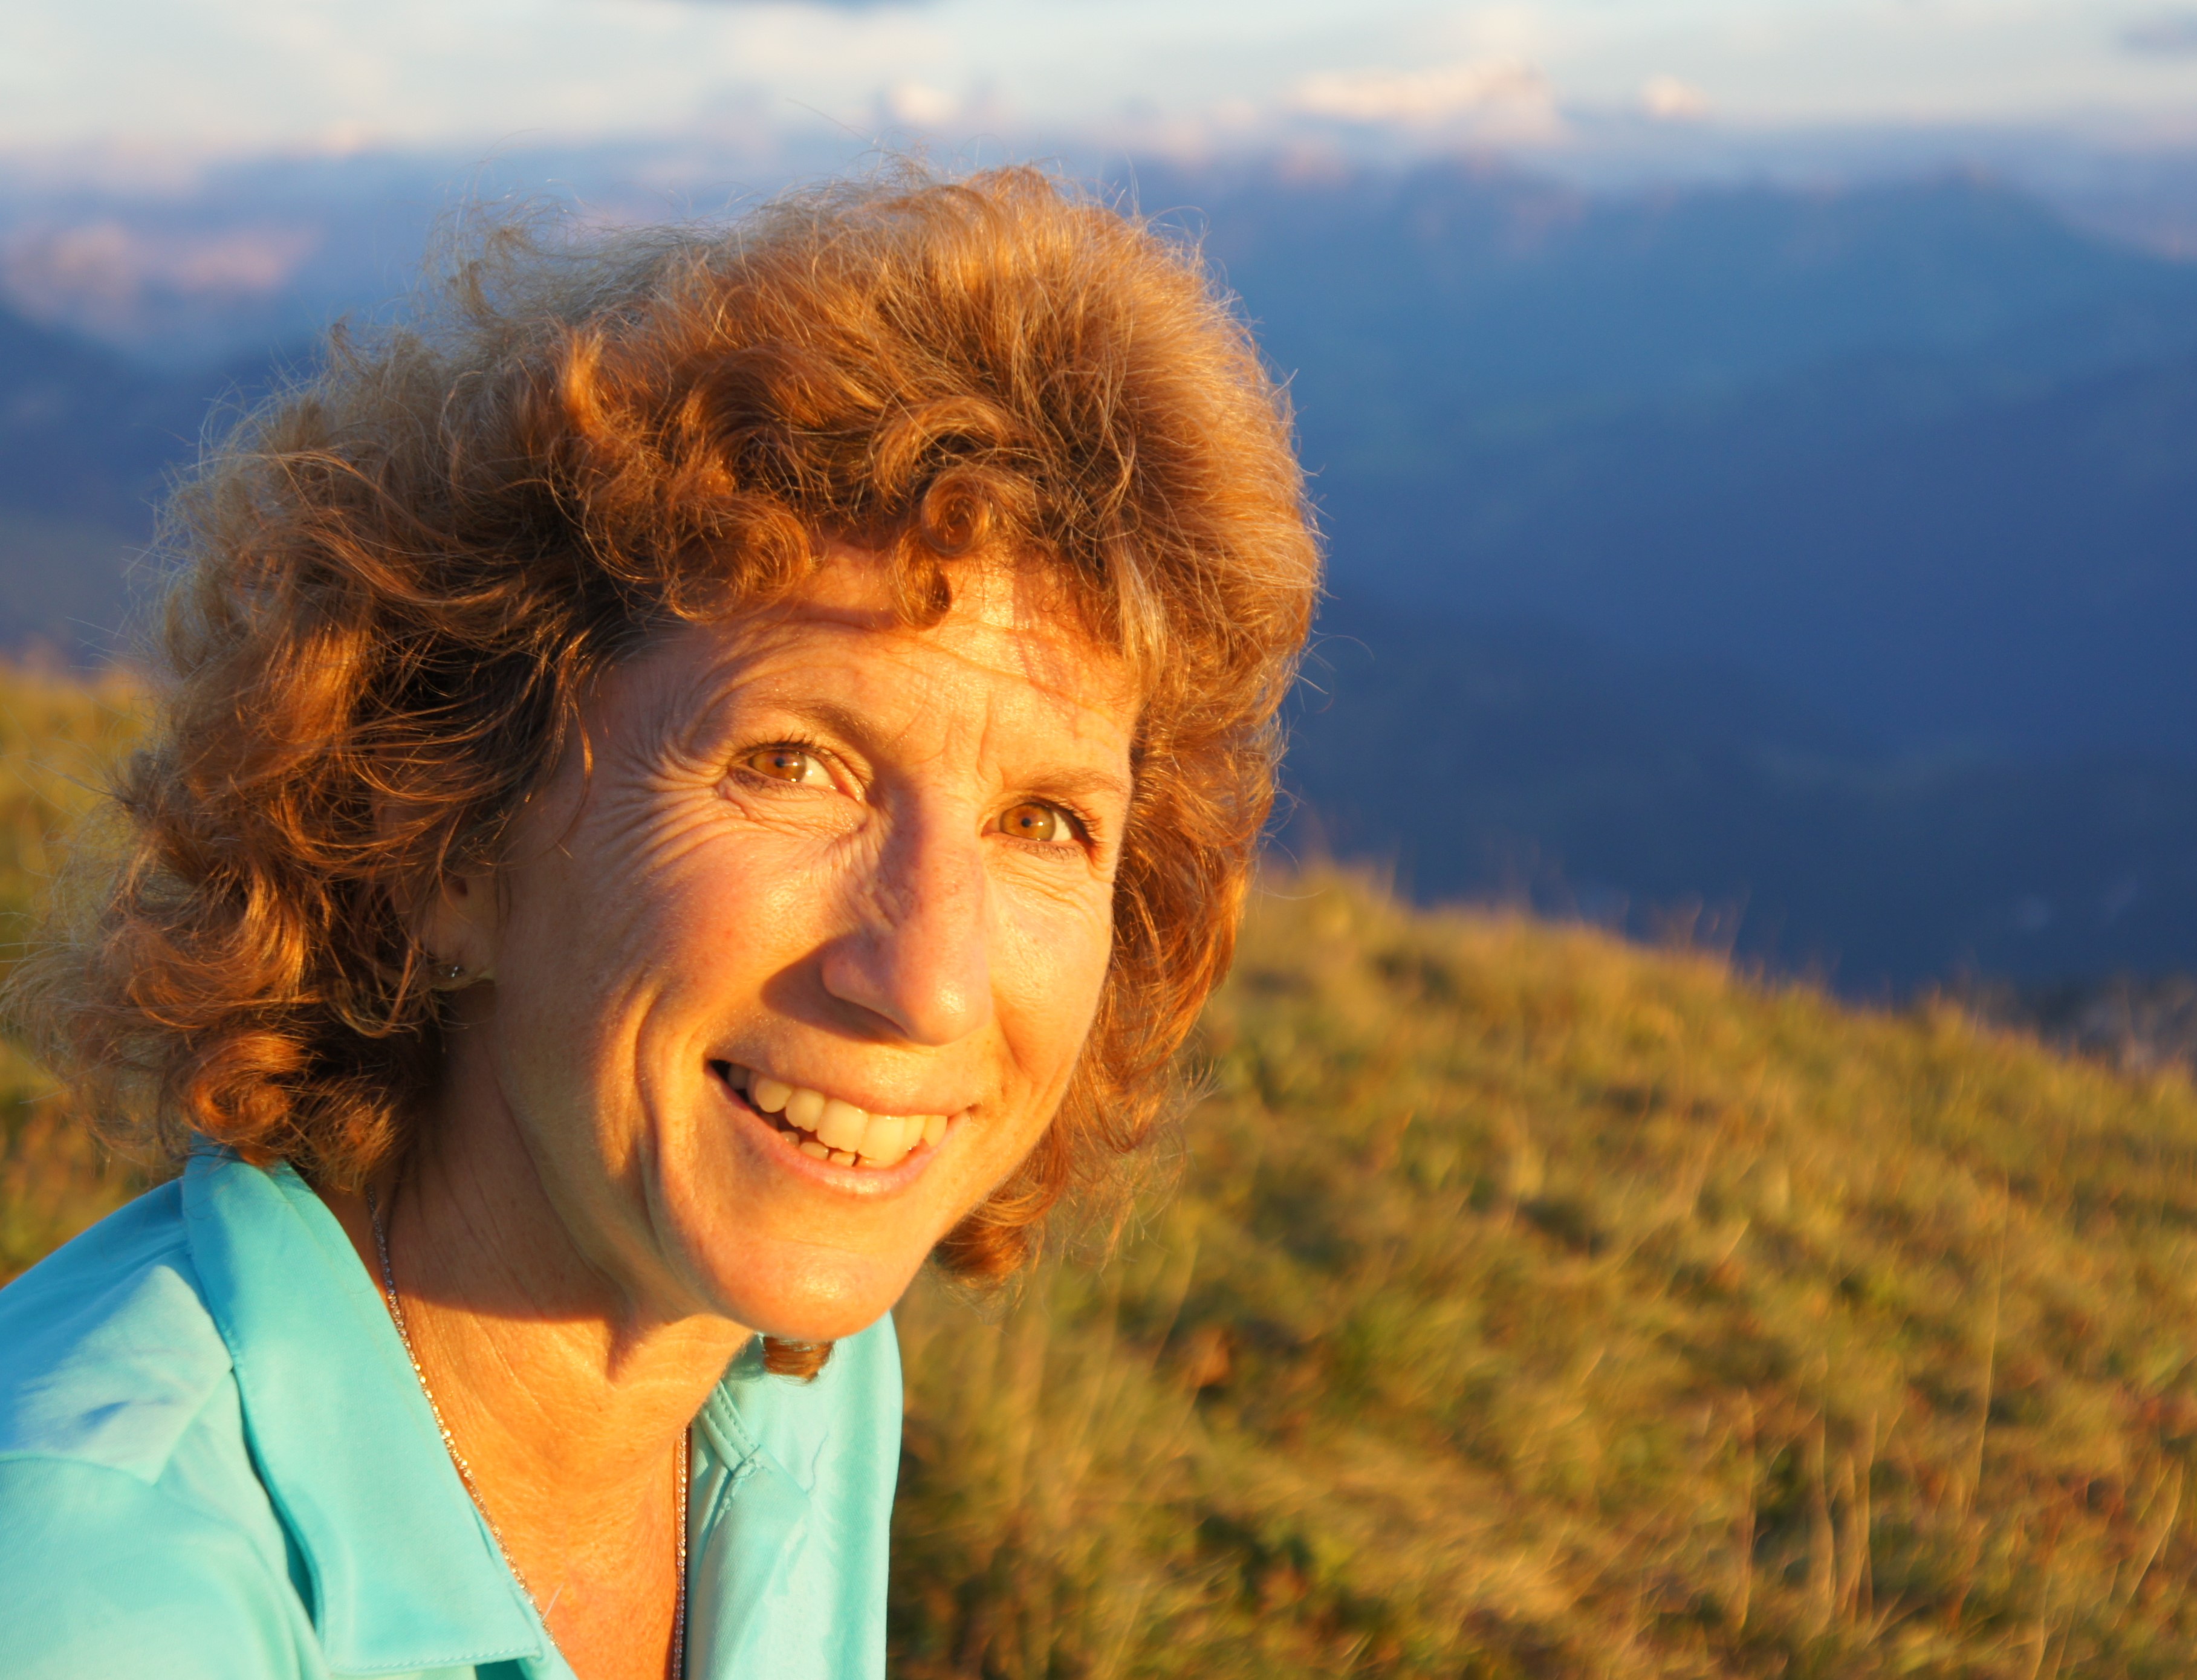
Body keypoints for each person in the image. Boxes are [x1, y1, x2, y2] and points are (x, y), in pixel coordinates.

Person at [0, 166, 1317, 1678]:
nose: (933, 983)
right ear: (443, 830)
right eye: (795, 766)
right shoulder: (99, 1583)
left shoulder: (787, 1388)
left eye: (1045, 821)